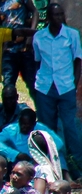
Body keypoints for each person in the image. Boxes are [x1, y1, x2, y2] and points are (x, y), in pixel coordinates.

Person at [32, 4, 82, 177]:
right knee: (48, 128)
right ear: (49, 17)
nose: (59, 18)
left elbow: (78, 60)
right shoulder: (39, 37)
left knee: (69, 127)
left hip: (66, 86)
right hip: (45, 87)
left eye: (61, 14)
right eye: (55, 15)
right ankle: (53, 168)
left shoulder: (72, 35)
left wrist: (74, 83)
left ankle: (76, 166)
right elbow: (37, 61)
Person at [0, 0, 39, 100]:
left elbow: (35, 12)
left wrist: (30, 36)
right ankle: (9, 113)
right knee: (8, 85)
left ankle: (42, 113)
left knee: (33, 84)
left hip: (25, 49)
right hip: (8, 50)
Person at [0, 108, 65, 164]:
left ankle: (67, 177)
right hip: (18, 162)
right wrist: (15, 154)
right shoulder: (11, 129)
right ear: (18, 121)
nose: (24, 127)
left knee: (58, 154)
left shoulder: (41, 128)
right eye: (22, 124)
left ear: (34, 124)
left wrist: (42, 156)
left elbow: (59, 142)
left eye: (27, 125)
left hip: (40, 161)